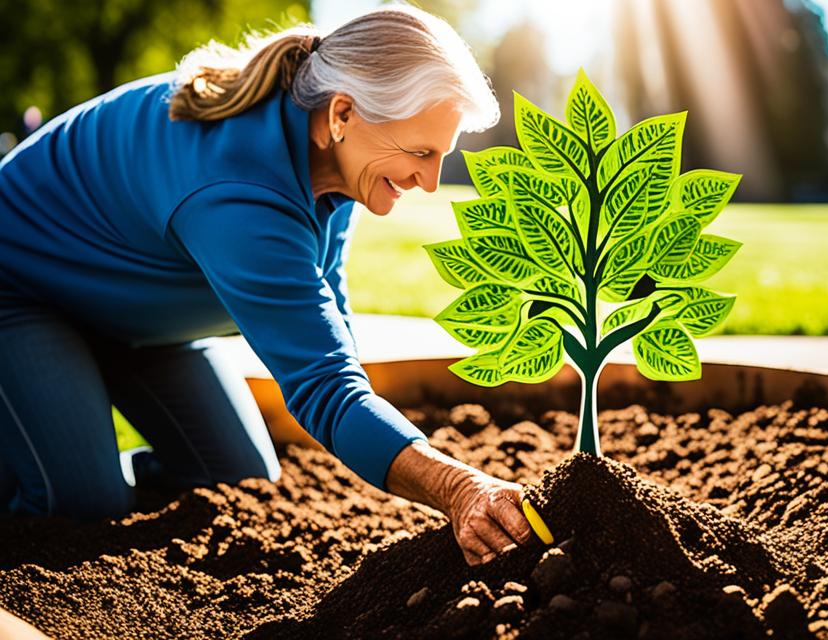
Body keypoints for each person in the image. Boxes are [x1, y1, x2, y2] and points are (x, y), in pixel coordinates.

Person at [0, 4, 532, 566]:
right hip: (24, 294)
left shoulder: (337, 161)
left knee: (234, 479)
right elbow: (323, 386)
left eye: (440, 157)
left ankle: (82, 454)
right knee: (76, 503)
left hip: (136, 317)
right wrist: (457, 487)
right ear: (344, 114)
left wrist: (382, 436)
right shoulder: (237, 191)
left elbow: (329, 326)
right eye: (419, 153)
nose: (427, 181)